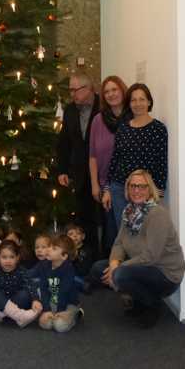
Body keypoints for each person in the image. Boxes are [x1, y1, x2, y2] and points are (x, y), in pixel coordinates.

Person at [90, 169, 185, 328]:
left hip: (164, 273)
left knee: (120, 275)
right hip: (142, 267)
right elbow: (119, 243)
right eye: (132, 186)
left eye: (142, 186)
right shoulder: (129, 211)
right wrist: (114, 263)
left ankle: (153, 304)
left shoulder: (157, 214)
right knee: (98, 268)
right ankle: (139, 298)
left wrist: (118, 269)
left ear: (150, 189)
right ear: (127, 189)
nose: (136, 190)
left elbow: (151, 256)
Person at [57, 71, 101, 255]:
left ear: (89, 89)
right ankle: (86, 257)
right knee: (84, 219)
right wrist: (62, 170)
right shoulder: (70, 110)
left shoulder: (103, 107)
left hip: (102, 172)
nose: (73, 94)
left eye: (76, 90)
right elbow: (64, 142)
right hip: (79, 174)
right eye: (70, 90)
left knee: (103, 219)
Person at [106, 83, 168, 204]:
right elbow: (115, 159)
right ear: (129, 104)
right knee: (123, 223)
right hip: (120, 189)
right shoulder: (123, 128)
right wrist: (107, 189)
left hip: (145, 192)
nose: (138, 104)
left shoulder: (158, 129)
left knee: (144, 224)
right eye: (133, 100)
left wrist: (158, 194)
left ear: (149, 102)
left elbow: (161, 163)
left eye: (142, 99)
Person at [90, 75, 129, 249]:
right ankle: (110, 271)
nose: (111, 94)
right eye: (106, 91)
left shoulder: (131, 118)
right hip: (105, 185)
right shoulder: (98, 120)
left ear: (122, 90)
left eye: (114, 89)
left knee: (126, 233)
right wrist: (95, 185)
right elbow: (92, 155)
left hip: (126, 184)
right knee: (110, 234)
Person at [0, 240, 42, 328]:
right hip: (0, 301)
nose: (8, 261)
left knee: (25, 294)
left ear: (17, 258)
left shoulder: (22, 271)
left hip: (17, 300)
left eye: (12, 257)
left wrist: (35, 300)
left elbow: (30, 285)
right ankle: (20, 316)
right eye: (4, 257)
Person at [37, 235, 82, 333]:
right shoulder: (45, 266)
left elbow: (63, 292)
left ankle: (76, 314)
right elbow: (43, 289)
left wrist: (60, 312)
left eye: (54, 248)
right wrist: (47, 310)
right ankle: (53, 315)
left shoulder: (68, 269)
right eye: (49, 246)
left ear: (64, 256)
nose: (48, 250)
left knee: (59, 326)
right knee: (45, 324)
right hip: (52, 301)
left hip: (68, 304)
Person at [66, 223, 93, 293]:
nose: (75, 236)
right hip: (70, 275)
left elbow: (86, 268)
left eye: (78, 233)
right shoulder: (66, 250)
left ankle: (83, 285)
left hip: (83, 276)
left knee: (72, 278)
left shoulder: (86, 250)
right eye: (71, 234)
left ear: (83, 236)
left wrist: (75, 257)